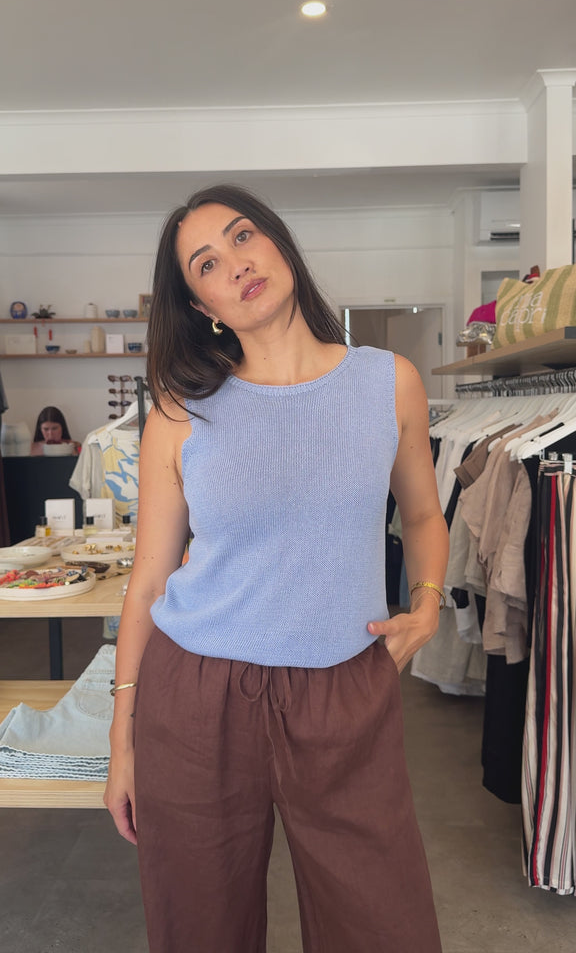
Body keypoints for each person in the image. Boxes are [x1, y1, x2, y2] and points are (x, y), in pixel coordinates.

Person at [104, 183, 449, 953]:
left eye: (243, 235)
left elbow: (424, 517)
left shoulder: (387, 381)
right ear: (202, 307)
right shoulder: (179, 410)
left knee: (384, 925)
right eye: (207, 262)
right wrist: (121, 740)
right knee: (200, 928)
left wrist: (427, 605)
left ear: (279, 243)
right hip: (197, 695)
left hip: (345, 690)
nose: (236, 262)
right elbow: (152, 583)